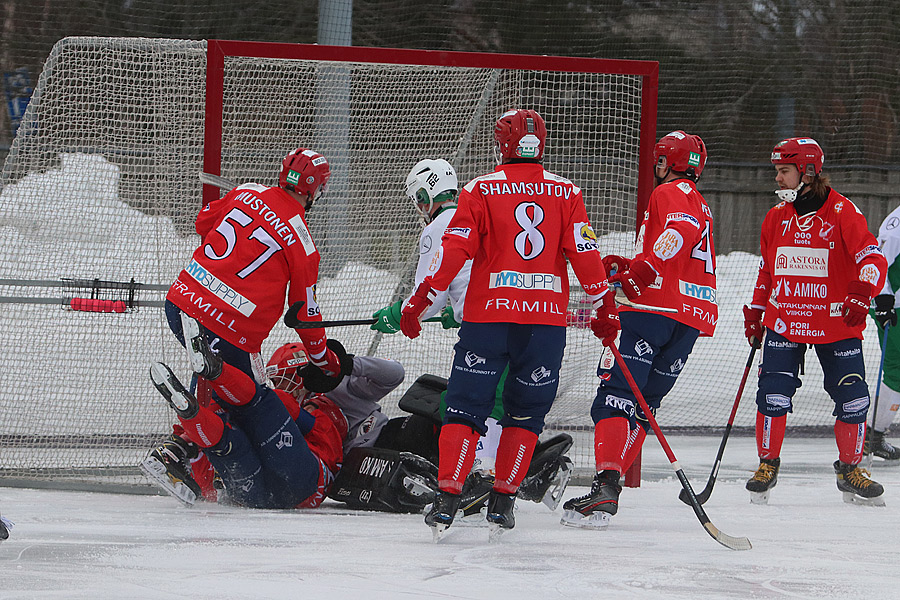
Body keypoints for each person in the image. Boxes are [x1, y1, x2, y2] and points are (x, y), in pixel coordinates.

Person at [399, 108, 620, 538]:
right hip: (544, 326)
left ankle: (447, 500)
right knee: (526, 413)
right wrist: (604, 306)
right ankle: (503, 503)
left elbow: (455, 251)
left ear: (503, 145)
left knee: (465, 407)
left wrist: (421, 298)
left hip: (488, 319)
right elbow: (585, 255)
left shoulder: (480, 189)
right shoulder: (568, 192)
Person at [561, 130, 717, 530]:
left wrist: (644, 270)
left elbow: (677, 235)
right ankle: (608, 488)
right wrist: (632, 265)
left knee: (615, 396)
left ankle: (605, 487)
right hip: (688, 320)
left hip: (652, 311)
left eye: (661, 158)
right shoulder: (699, 200)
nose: (657, 165)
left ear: (670, 162)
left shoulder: (671, 193)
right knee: (644, 407)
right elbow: (679, 246)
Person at [742, 137, 888, 505]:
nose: (777, 178)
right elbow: (767, 270)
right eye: (777, 170)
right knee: (772, 394)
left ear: (807, 171)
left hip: (835, 323)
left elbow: (872, 259)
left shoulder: (843, 212)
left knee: (853, 398)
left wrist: (861, 292)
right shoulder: (776, 217)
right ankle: (767, 464)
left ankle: (850, 469)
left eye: (784, 171)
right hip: (785, 319)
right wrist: (757, 312)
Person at [164, 147, 343, 406]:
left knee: (212, 370)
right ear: (316, 190)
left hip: (180, 303)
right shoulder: (304, 244)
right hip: (230, 331)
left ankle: (188, 432)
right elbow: (305, 314)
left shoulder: (247, 190)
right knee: (256, 404)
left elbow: (203, 222)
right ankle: (194, 433)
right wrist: (323, 359)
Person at [370, 158, 503, 475]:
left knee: (468, 398)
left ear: (423, 197)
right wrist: (454, 313)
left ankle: (480, 470)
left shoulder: (436, 228)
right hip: (519, 316)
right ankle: (503, 467)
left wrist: (395, 315)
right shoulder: (482, 214)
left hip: (484, 326)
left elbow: (427, 296)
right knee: (504, 394)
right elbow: (475, 277)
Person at [149, 329, 349, 509]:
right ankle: (194, 410)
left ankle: (196, 409)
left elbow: (312, 426)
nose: (278, 384)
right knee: (230, 442)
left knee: (258, 411)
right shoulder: (309, 410)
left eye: (282, 379)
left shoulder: (321, 406)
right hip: (277, 493)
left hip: (300, 482)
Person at [866, 204, 900, 460]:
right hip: (893, 308)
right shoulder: (896, 225)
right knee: (897, 369)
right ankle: (872, 436)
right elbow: (879, 264)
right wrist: (884, 301)